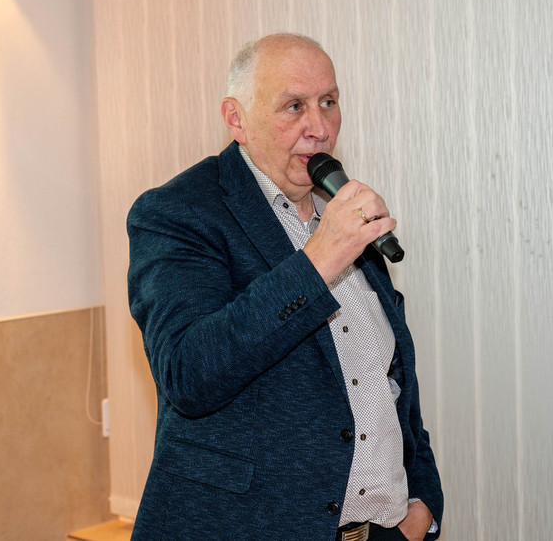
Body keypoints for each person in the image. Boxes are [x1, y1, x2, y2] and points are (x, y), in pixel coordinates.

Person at [127, 33, 443, 541]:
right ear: (236, 119)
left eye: (328, 102)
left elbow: (387, 380)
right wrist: (319, 260)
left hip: (381, 530)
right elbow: (188, 374)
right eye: (294, 106)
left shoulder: (339, 212)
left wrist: (422, 499)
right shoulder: (178, 213)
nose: (319, 127)